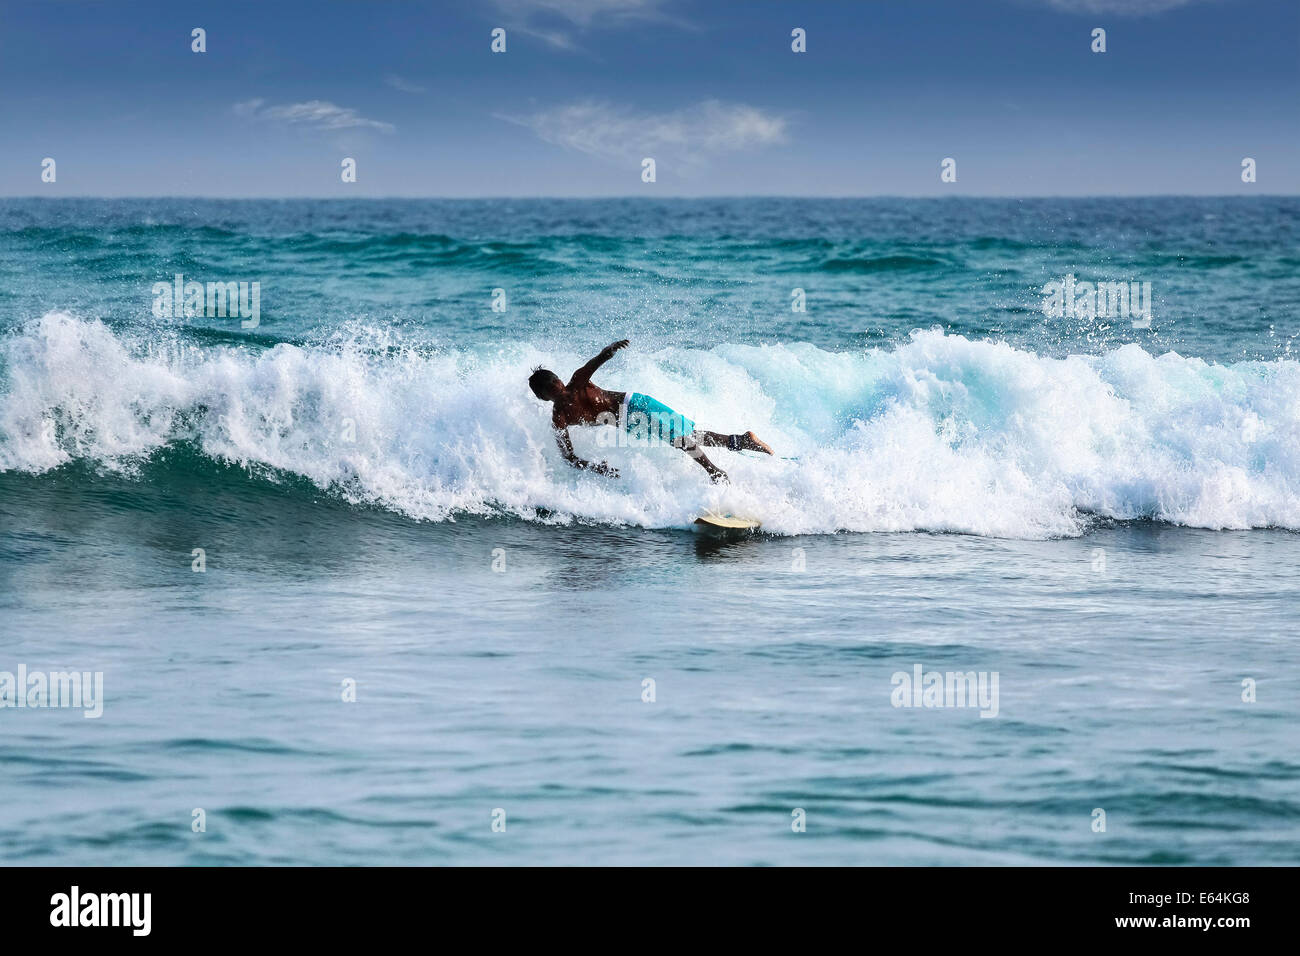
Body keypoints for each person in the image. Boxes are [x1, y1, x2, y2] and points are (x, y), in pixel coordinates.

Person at [528, 339, 773, 483]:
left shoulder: (578, 381)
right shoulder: (559, 418)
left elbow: (597, 360)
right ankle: (740, 440)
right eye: (550, 389)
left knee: (679, 438)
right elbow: (569, 458)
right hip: (628, 423)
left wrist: (611, 349)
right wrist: (598, 468)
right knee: (689, 436)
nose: (557, 389)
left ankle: (715, 473)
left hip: (635, 404)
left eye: (555, 383)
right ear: (543, 396)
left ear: (558, 381)